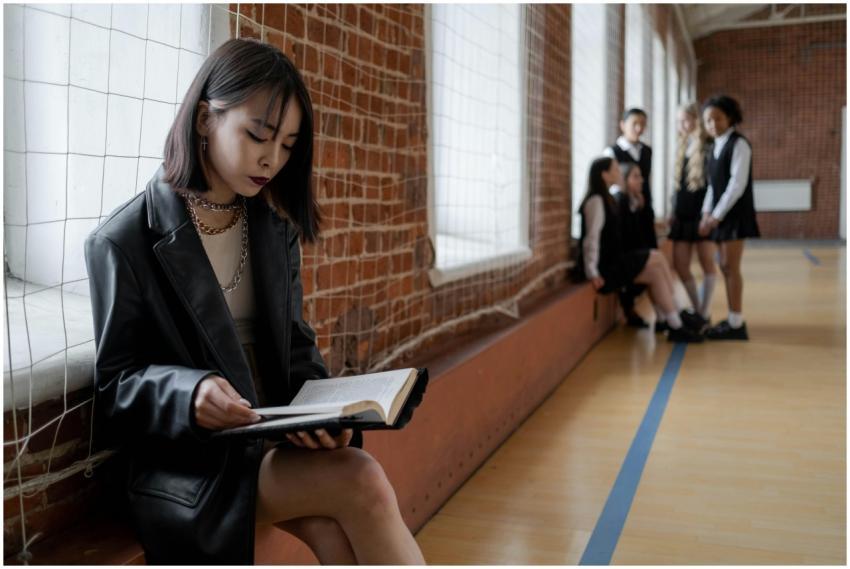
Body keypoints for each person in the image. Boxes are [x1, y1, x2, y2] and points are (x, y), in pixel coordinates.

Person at [84, 39, 425, 564]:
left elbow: (295, 347)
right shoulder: (123, 240)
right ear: (204, 119)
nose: (273, 158)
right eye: (258, 135)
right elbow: (117, 382)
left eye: (288, 144)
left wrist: (324, 417)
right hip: (195, 463)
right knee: (362, 480)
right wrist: (190, 392)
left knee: (340, 526)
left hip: (271, 441)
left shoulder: (271, 227)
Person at [578, 157, 703, 343]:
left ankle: (675, 322)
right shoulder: (596, 201)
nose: (618, 173)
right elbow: (591, 239)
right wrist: (592, 272)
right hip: (607, 268)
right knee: (657, 258)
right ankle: (676, 317)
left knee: (656, 271)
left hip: (614, 261)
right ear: (604, 174)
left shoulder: (608, 198)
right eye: (615, 170)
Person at [698, 95, 760, 340]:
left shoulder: (739, 144)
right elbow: (714, 186)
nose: (712, 124)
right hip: (719, 214)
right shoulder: (716, 145)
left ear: (730, 118)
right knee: (724, 265)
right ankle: (734, 319)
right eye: (708, 121)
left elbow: (736, 184)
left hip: (734, 215)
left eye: (718, 118)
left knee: (730, 266)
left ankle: (736, 324)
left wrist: (715, 216)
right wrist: (706, 212)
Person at [603, 108, 656, 328]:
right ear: (622, 125)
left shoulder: (647, 151)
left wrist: (642, 200)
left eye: (643, 124)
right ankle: (629, 308)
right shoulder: (612, 151)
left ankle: (660, 311)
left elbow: (646, 180)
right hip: (624, 214)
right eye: (634, 123)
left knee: (651, 254)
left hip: (643, 211)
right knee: (631, 256)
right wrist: (630, 198)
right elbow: (611, 184)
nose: (639, 128)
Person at [668, 102, 717, 329]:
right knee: (680, 264)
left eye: (686, 120)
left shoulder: (708, 146)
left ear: (696, 120)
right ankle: (697, 308)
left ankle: (705, 312)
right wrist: (672, 210)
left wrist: (708, 215)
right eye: (679, 121)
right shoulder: (681, 145)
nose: (682, 125)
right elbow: (677, 187)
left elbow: (713, 185)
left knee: (708, 262)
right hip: (682, 215)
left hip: (702, 213)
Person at [612, 162, 657, 329]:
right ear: (625, 180)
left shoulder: (636, 202)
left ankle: (667, 316)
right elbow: (627, 239)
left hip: (634, 253)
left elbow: (642, 236)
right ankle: (670, 318)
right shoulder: (620, 201)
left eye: (641, 176)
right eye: (636, 176)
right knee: (655, 265)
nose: (641, 180)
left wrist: (640, 208)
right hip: (622, 260)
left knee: (656, 262)